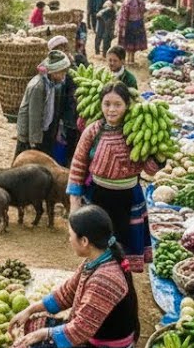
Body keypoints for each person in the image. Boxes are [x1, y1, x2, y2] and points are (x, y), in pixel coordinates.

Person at [0, 205, 139, 348]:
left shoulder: (105, 279)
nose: (69, 239)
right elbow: (66, 293)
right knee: (32, 325)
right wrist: (30, 309)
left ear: (84, 241)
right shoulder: (95, 260)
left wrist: (45, 334)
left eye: (71, 235)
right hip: (89, 337)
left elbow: (81, 330)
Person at [68, 82, 163, 268]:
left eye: (118, 104)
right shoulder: (93, 131)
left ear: (127, 105)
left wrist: (160, 158)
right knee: (96, 248)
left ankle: (122, 281)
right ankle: (97, 279)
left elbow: (149, 170)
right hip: (98, 198)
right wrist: (74, 202)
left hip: (128, 199)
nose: (111, 110)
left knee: (123, 253)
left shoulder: (137, 131)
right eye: (107, 104)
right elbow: (78, 165)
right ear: (100, 105)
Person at [16, 50, 71, 157]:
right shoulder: (38, 87)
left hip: (43, 130)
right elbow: (34, 116)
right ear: (54, 72)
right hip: (29, 134)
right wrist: (34, 143)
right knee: (25, 161)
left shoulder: (53, 83)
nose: (64, 76)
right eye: (62, 73)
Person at [116, 0, 147, 65]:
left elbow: (124, 15)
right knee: (134, 42)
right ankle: (132, 60)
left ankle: (128, 60)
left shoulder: (126, 2)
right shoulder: (139, 1)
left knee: (128, 42)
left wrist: (121, 26)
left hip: (129, 24)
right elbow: (143, 10)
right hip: (138, 23)